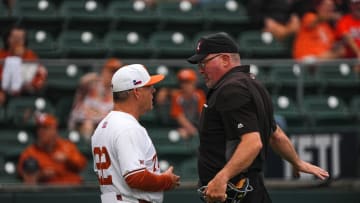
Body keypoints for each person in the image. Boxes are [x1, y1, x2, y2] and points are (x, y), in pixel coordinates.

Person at [187, 32, 330, 203]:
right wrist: (297, 161)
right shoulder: (253, 84)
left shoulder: (231, 89)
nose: (200, 70)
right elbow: (275, 134)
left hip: (234, 193)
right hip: (250, 188)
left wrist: (222, 178)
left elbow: (253, 142)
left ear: (225, 59)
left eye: (204, 63)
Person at [91, 64, 180, 203]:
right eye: (148, 87)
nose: (153, 90)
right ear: (137, 92)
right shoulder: (127, 127)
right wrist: (166, 180)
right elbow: (135, 177)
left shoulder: (103, 126)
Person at [17, 113, 87, 185]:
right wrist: (40, 175)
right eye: (39, 128)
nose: (41, 132)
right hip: (48, 192)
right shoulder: (30, 152)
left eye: (45, 128)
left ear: (54, 130)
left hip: (73, 190)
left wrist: (67, 159)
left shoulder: (67, 146)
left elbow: (81, 164)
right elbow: (22, 173)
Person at [68, 58, 123, 140]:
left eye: (116, 72)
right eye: (111, 71)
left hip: (104, 124)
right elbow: (82, 83)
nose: (113, 75)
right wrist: (95, 77)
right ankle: (86, 150)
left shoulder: (119, 91)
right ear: (104, 71)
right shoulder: (92, 83)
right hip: (83, 121)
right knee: (88, 125)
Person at [0, 26, 47, 105]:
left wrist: (33, 85)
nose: (17, 41)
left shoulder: (31, 56)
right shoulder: (1, 55)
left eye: (20, 38)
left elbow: (41, 75)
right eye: (14, 37)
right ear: (8, 39)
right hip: (5, 92)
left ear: (24, 40)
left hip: (27, 94)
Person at [170, 68, 206, 139]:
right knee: (180, 134)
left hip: (197, 124)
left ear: (194, 83)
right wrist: (192, 130)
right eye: (183, 82)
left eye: (188, 82)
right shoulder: (177, 96)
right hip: (183, 127)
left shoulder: (199, 95)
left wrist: (198, 130)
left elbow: (203, 115)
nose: (186, 85)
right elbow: (179, 117)